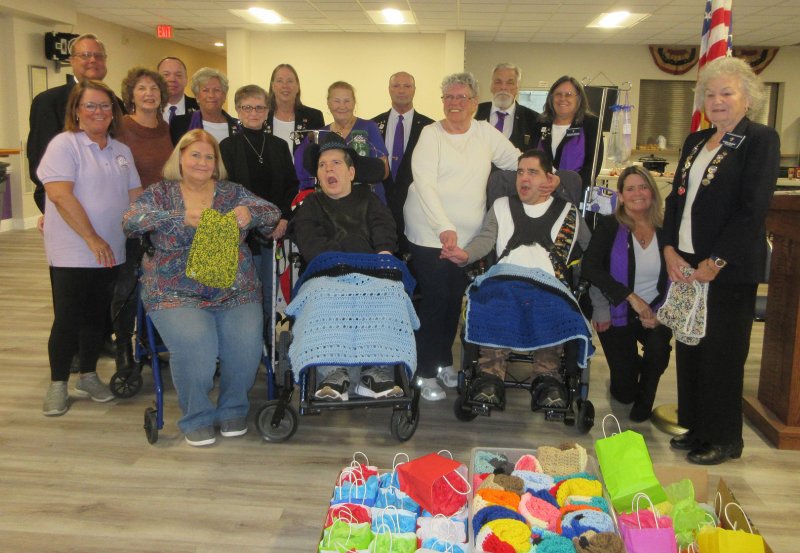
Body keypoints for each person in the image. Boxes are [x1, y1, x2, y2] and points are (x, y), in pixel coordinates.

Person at [123, 129, 280, 446]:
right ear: (179, 157)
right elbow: (131, 221)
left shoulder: (232, 193)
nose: (202, 161)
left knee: (245, 347)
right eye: (195, 154)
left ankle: (233, 408)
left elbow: (272, 213)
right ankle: (196, 416)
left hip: (236, 287)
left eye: (210, 156)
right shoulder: (160, 194)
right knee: (197, 347)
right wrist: (180, 218)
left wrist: (250, 214)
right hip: (174, 289)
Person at [662, 57, 779, 465]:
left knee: (723, 353)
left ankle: (725, 437)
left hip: (727, 269)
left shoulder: (760, 140)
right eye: (710, 94)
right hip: (687, 262)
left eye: (726, 93)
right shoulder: (696, 141)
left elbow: (752, 209)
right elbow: (676, 201)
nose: (717, 101)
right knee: (690, 347)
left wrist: (717, 260)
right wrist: (669, 249)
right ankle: (696, 425)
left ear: (748, 99)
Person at [403, 72, 521, 401]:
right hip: (429, 233)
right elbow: (424, 184)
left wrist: (548, 177)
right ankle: (423, 371)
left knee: (454, 300)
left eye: (462, 97)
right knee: (436, 300)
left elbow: (515, 160)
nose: (455, 103)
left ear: (474, 103)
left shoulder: (485, 133)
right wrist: (444, 228)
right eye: (449, 97)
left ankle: (442, 363)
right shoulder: (431, 134)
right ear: (443, 102)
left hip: (467, 239)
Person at [441, 150, 591, 407]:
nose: (524, 178)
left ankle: (548, 379)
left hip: (549, 286)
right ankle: (490, 377)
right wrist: (464, 254)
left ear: (549, 179)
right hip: (505, 281)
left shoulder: (569, 213)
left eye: (532, 172)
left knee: (553, 308)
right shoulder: (501, 206)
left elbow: (591, 251)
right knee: (494, 303)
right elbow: (485, 241)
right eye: (520, 172)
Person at [37, 79, 142, 417]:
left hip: (112, 249)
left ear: (114, 112)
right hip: (74, 249)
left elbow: (134, 198)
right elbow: (59, 195)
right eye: (91, 106)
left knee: (98, 317)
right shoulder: (64, 145)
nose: (99, 112)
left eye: (105, 106)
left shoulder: (120, 151)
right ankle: (57, 385)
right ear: (77, 112)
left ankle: (88, 376)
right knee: (67, 317)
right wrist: (92, 238)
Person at [291, 132, 400, 400]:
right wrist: (346, 260)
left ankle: (375, 371)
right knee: (324, 294)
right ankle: (333, 373)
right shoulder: (310, 205)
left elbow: (383, 228)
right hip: (326, 274)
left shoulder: (369, 199)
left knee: (391, 292)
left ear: (351, 172)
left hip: (371, 271)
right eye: (322, 165)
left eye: (336, 163)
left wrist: (383, 253)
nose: (328, 169)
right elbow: (311, 244)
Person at [582, 165, 672, 422]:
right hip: (617, 308)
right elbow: (591, 268)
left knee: (658, 346)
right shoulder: (610, 226)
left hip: (656, 309)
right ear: (620, 196)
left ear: (653, 193)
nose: (637, 193)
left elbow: (677, 275)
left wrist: (661, 313)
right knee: (624, 392)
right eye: (630, 189)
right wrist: (629, 297)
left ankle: (646, 400)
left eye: (643, 187)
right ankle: (634, 377)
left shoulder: (668, 229)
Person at [110, 67, 174, 376]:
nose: (149, 93)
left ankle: (153, 345)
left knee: (159, 285)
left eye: (154, 88)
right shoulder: (119, 128)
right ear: (131, 95)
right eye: (141, 88)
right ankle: (123, 348)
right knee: (127, 288)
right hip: (130, 219)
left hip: (162, 221)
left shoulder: (166, 128)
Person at [219, 84, 298, 332]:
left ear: (267, 111)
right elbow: (226, 193)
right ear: (238, 111)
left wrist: (283, 219)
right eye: (247, 107)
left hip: (275, 232)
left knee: (267, 293)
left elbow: (291, 186)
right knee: (244, 294)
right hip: (242, 236)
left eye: (259, 107)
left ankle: (265, 343)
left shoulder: (278, 146)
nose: (253, 113)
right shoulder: (227, 147)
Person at [28, 33, 125, 213]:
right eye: (85, 55)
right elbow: (39, 159)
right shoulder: (49, 102)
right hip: (65, 205)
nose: (93, 60)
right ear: (72, 61)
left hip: (111, 206)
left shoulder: (117, 104)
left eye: (99, 56)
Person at [372, 71, 434, 255]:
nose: (401, 90)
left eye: (407, 86)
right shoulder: (373, 125)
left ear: (414, 90)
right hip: (381, 207)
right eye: (396, 86)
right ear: (389, 90)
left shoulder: (430, 128)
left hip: (416, 210)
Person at [320, 81, 390, 203]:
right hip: (333, 205)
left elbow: (384, 171)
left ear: (354, 103)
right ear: (328, 103)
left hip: (369, 203)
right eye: (336, 101)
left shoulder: (369, 127)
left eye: (347, 101)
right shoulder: (321, 133)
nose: (342, 106)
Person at [536, 76, 602, 191]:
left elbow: (592, 166)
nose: (563, 98)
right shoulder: (540, 123)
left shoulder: (591, 124)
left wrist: (565, 187)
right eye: (558, 94)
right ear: (551, 98)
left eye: (569, 94)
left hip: (575, 193)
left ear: (579, 98)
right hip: (541, 192)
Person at [265, 63, 325, 159]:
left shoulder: (314, 117)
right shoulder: (262, 117)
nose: (285, 86)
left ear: (297, 87)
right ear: (273, 86)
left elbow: (320, 155)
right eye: (280, 81)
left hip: (303, 174)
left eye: (290, 81)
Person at [476, 62, 540, 150]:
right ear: (491, 86)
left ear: (517, 87)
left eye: (510, 83)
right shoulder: (474, 113)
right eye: (498, 82)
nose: (503, 87)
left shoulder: (533, 119)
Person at [169, 67, 236, 145]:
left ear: (224, 96)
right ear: (197, 96)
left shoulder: (238, 127)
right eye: (205, 90)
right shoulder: (179, 124)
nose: (211, 95)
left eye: (217, 90)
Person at [157, 56, 199, 123]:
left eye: (178, 75)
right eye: (166, 74)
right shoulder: (148, 108)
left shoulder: (200, 108)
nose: (172, 79)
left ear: (186, 80)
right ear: (157, 79)